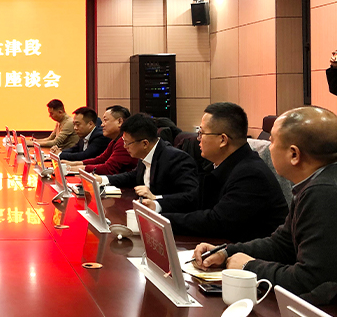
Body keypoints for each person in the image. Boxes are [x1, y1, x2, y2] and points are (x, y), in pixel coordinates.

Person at [194, 106, 337, 304]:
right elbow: (282, 244)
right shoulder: (313, 184)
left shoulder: (323, 192)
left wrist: (249, 267)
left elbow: (311, 282)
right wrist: (226, 251)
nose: (267, 148)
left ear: (294, 154)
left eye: (272, 142)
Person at [142, 102, 288, 242]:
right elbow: (195, 199)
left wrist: (160, 220)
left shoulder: (251, 174)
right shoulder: (224, 164)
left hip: (250, 255)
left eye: (202, 133)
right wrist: (157, 206)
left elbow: (217, 222)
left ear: (223, 140)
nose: (198, 139)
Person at [97, 113, 198, 197]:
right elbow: (134, 176)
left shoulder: (176, 159)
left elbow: (190, 197)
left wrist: (155, 199)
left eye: (127, 143)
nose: (124, 146)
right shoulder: (146, 154)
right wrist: (103, 179)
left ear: (145, 143)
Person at [63, 105, 138, 176]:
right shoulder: (114, 141)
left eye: (105, 120)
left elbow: (108, 169)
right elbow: (100, 159)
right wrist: (74, 164)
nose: (102, 125)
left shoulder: (123, 142)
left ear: (119, 122)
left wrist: (82, 168)